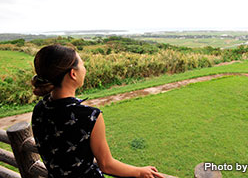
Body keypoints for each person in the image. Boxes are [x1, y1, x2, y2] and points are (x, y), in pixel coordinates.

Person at [31, 44, 164, 178]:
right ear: (73, 73)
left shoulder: (40, 108)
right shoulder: (89, 116)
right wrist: (140, 172)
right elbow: (106, 164)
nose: (85, 68)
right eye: (82, 65)